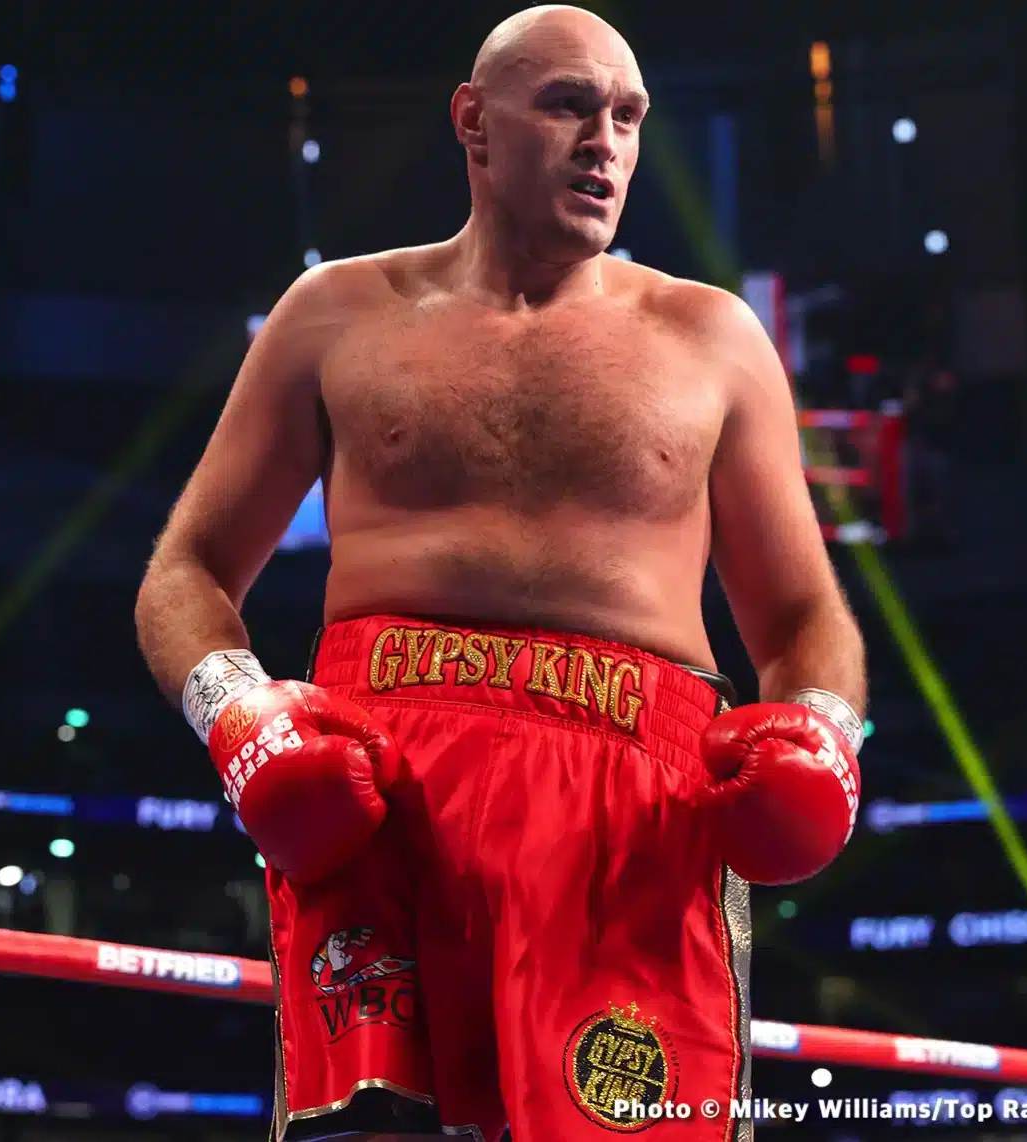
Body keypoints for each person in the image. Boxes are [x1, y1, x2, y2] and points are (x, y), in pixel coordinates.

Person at [134, 7, 866, 1140]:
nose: (605, 142)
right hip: (384, 802)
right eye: (570, 104)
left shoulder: (710, 337)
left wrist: (821, 731)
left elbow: (807, 613)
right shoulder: (335, 313)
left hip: (631, 821)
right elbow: (185, 568)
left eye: (627, 116)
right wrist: (241, 721)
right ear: (472, 122)